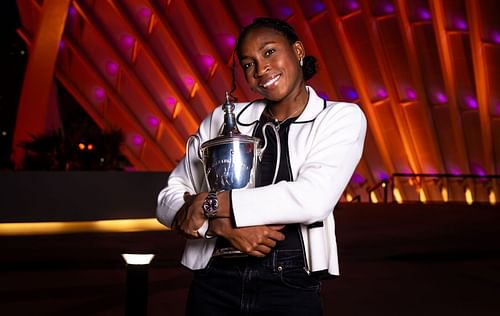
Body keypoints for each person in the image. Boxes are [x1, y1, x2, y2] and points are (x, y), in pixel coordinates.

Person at [157, 17, 367, 315]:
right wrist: (219, 227)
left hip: (289, 283)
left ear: (297, 50)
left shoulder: (339, 117)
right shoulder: (223, 118)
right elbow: (167, 201)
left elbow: (312, 199)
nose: (260, 69)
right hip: (214, 280)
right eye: (248, 64)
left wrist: (211, 204)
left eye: (269, 52)